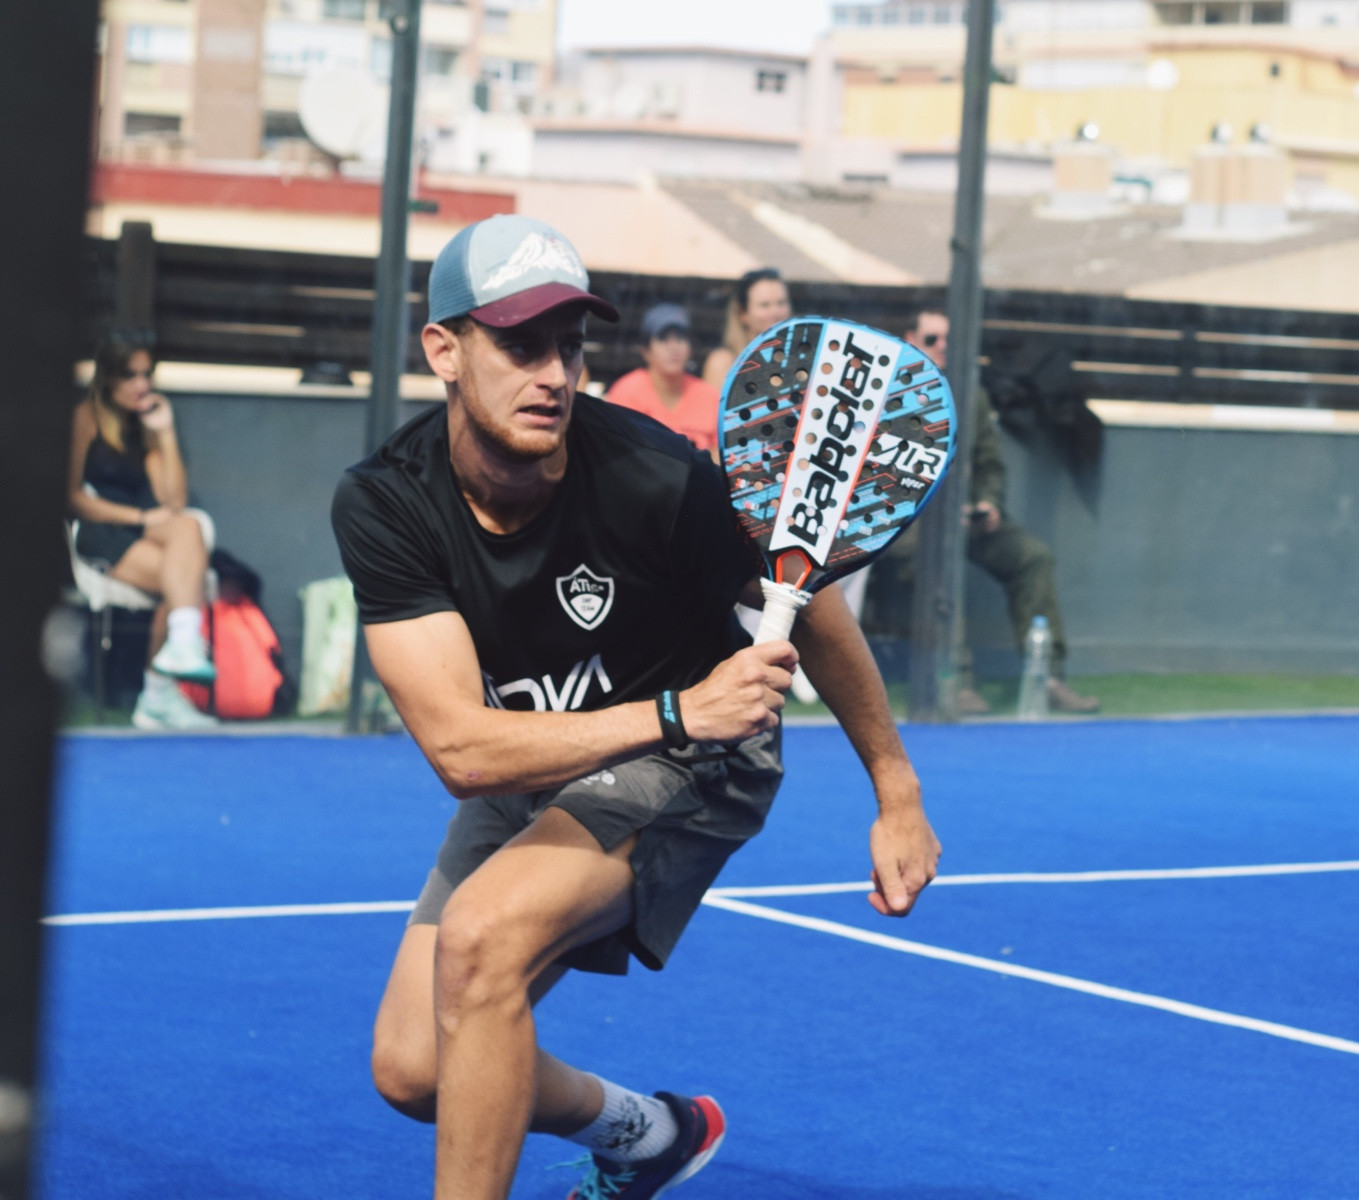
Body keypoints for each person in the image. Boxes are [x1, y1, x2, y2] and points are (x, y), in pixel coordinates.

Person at [331, 215, 939, 1200]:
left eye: (569, 346)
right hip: (574, 745)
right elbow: (462, 751)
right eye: (521, 346)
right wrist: (674, 710)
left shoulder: (656, 477)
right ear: (443, 350)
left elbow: (812, 603)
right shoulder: (388, 502)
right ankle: (650, 1135)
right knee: (413, 1068)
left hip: (701, 761)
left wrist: (895, 785)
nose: (554, 375)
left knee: (480, 941)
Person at [894, 309, 1100, 715]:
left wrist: (988, 504)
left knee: (1033, 557)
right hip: (912, 525)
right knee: (941, 564)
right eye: (933, 339)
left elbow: (990, 465)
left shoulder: (970, 395)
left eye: (951, 340)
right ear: (911, 340)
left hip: (966, 518)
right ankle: (955, 680)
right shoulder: (891, 394)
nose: (943, 348)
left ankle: (1048, 676)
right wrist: (937, 508)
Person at [67, 329, 218, 730]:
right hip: (103, 530)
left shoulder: (146, 422)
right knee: (184, 581)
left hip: (150, 527)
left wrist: (165, 431)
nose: (142, 385)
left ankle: (178, 653)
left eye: (147, 374)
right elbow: (73, 497)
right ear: (109, 378)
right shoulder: (86, 417)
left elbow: (175, 499)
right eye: (131, 375)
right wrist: (137, 517)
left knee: (187, 530)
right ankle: (157, 696)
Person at [604, 303, 719, 460]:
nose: (673, 347)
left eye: (680, 338)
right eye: (663, 338)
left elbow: (719, 453)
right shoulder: (626, 392)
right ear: (645, 350)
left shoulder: (709, 395)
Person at [699, 266, 790, 391]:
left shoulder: (798, 359)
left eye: (781, 303)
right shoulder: (723, 363)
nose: (775, 312)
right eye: (764, 305)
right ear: (743, 313)